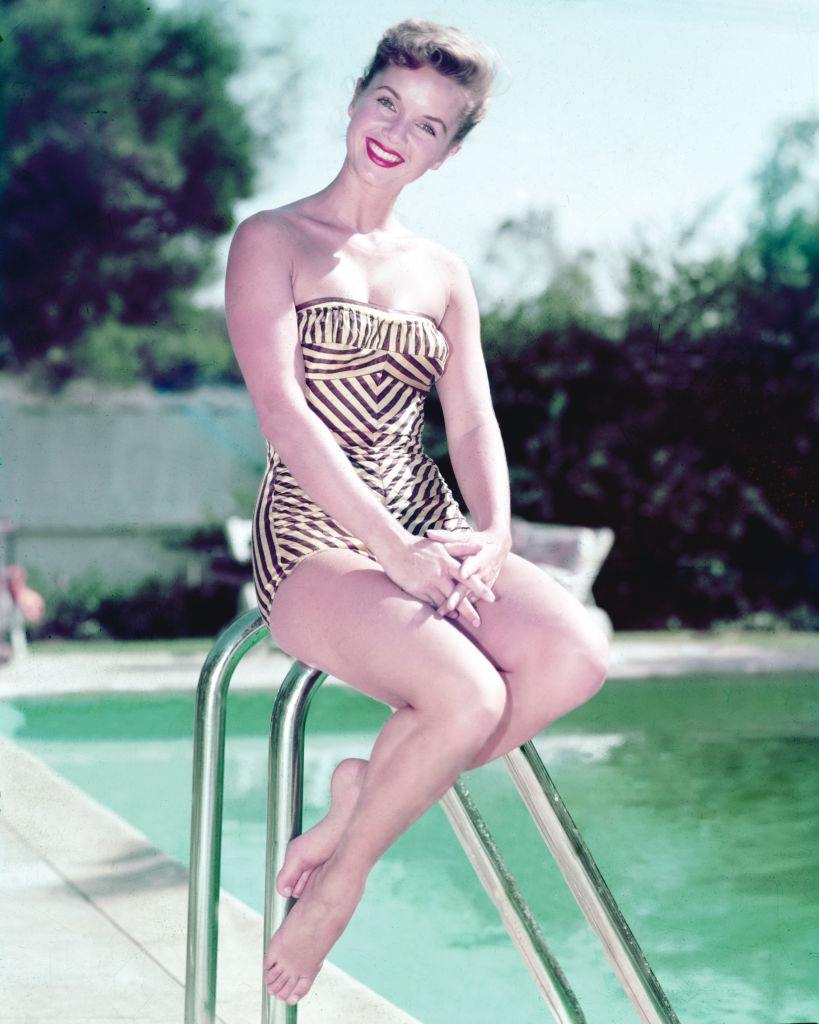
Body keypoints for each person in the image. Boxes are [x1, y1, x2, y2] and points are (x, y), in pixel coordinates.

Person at [224, 17, 610, 1007]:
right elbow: (285, 414)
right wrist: (392, 554)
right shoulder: (272, 240)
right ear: (356, 101)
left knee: (577, 650)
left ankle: (360, 801)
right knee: (470, 696)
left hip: (426, 520)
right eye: (389, 101)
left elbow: (472, 419)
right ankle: (344, 878)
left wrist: (492, 529)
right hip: (316, 540)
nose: (399, 130)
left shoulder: (443, 274)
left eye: (431, 125)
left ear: (446, 154)